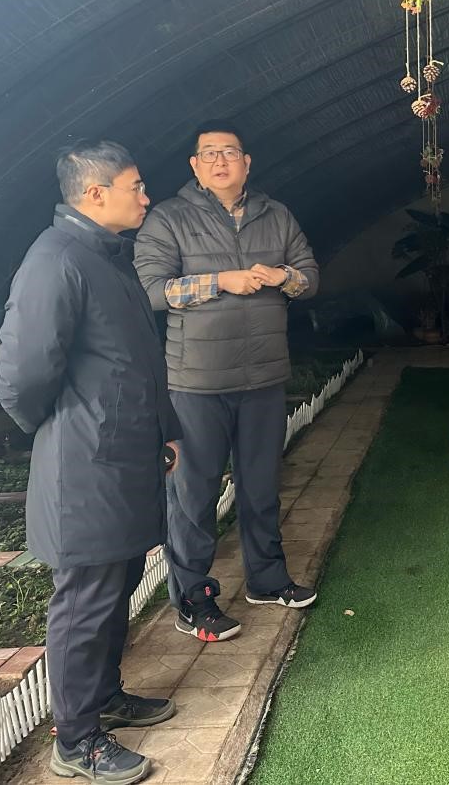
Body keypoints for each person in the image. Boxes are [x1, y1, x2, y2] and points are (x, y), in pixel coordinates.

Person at [0, 140, 179, 785]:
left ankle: (103, 696)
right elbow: (21, 375)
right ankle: (75, 742)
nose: (146, 197)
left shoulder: (105, 256)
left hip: (123, 453)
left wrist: (163, 431)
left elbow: (137, 360)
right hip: (85, 463)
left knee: (118, 581)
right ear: (96, 194)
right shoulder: (56, 260)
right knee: (85, 600)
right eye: (136, 186)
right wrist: (63, 428)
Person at [134, 119, 320, 643]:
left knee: (262, 486)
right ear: (194, 165)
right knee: (193, 495)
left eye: (230, 152)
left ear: (247, 163)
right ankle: (193, 599)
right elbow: (151, 290)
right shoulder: (169, 218)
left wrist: (284, 277)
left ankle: (268, 579)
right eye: (209, 153)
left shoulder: (275, 214)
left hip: (263, 375)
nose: (220, 161)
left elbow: (309, 276)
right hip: (195, 382)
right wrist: (219, 282)